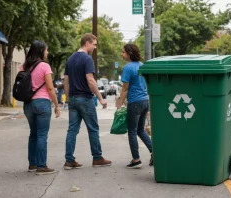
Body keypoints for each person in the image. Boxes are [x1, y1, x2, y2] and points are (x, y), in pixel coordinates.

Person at [63, 33, 112, 169]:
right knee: (93, 129)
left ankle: (69, 160)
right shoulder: (87, 59)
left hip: (73, 98)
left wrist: (68, 97)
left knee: (72, 130)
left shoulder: (70, 59)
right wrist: (101, 98)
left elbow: (65, 80)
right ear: (87, 43)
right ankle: (97, 158)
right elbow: (90, 80)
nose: (95, 48)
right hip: (85, 98)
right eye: (94, 45)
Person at [22, 40, 60, 175]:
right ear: (41, 51)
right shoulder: (45, 66)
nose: (47, 52)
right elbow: (50, 88)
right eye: (46, 50)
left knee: (33, 134)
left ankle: (32, 164)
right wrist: (56, 105)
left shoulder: (24, 66)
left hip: (27, 104)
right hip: (42, 103)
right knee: (42, 135)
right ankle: (41, 166)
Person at [116, 43, 153, 169]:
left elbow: (125, 88)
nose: (122, 54)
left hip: (135, 102)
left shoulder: (128, 68)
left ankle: (136, 160)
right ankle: (155, 152)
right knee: (140, 130)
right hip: (145, 101)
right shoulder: (142, 65)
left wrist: (120, 102)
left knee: (132, 131)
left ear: (129, 53)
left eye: (123, 52)